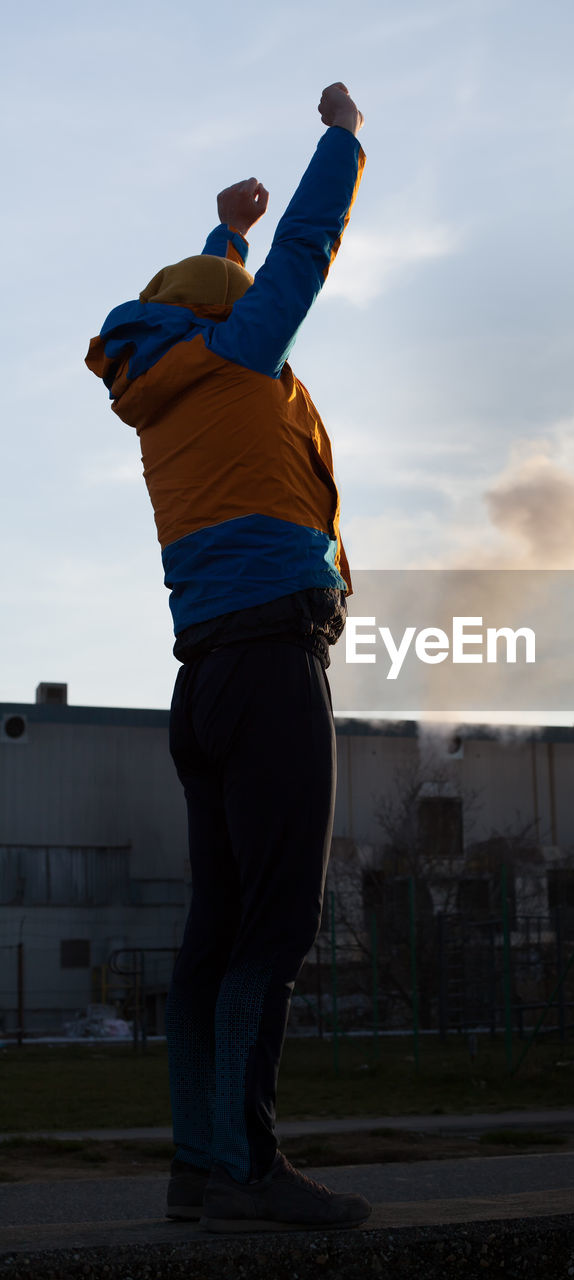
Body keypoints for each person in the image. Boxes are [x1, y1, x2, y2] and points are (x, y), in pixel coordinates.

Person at [85, 83, 370, 1233]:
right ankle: (248, 1166)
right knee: (273, 927)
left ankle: (198, 1166)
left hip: (199, 681)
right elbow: (307, 254)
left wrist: (220, 238)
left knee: (213, 929)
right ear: (227, 315)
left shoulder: (159, 389)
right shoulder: (246, 356)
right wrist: (341, 139)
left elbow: (212, 299)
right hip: (267, 669)